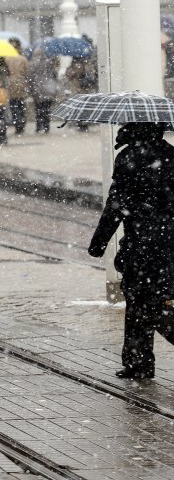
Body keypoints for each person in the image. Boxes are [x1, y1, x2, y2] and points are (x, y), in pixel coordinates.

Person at [88, 123, 174, 380]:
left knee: (143, 306)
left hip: (141, 244)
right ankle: (138, 363)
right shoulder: (170, 154)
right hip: (168, 243)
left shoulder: (128, 157)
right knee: (150, 302)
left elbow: (116, 205)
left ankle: (139, 363)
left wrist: (98, 243)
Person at [28, 53, 59, 134]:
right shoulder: (49, 63)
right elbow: (54, 75)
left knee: (38, 109)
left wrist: (31, 89)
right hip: (48, 89)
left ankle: (39, 126)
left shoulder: (32, 64)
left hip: (37, 89)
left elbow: (30, 78)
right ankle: (46, 126)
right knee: (47, 109)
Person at [5, 38, 29, 136]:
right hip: (21, 84)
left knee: (13, 106)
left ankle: (17, 125)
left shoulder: (6, 58)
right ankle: (21, 125)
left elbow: (5, 72)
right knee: (21, 105)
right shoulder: (23, 59)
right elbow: (27, 72)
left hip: (10, 84)